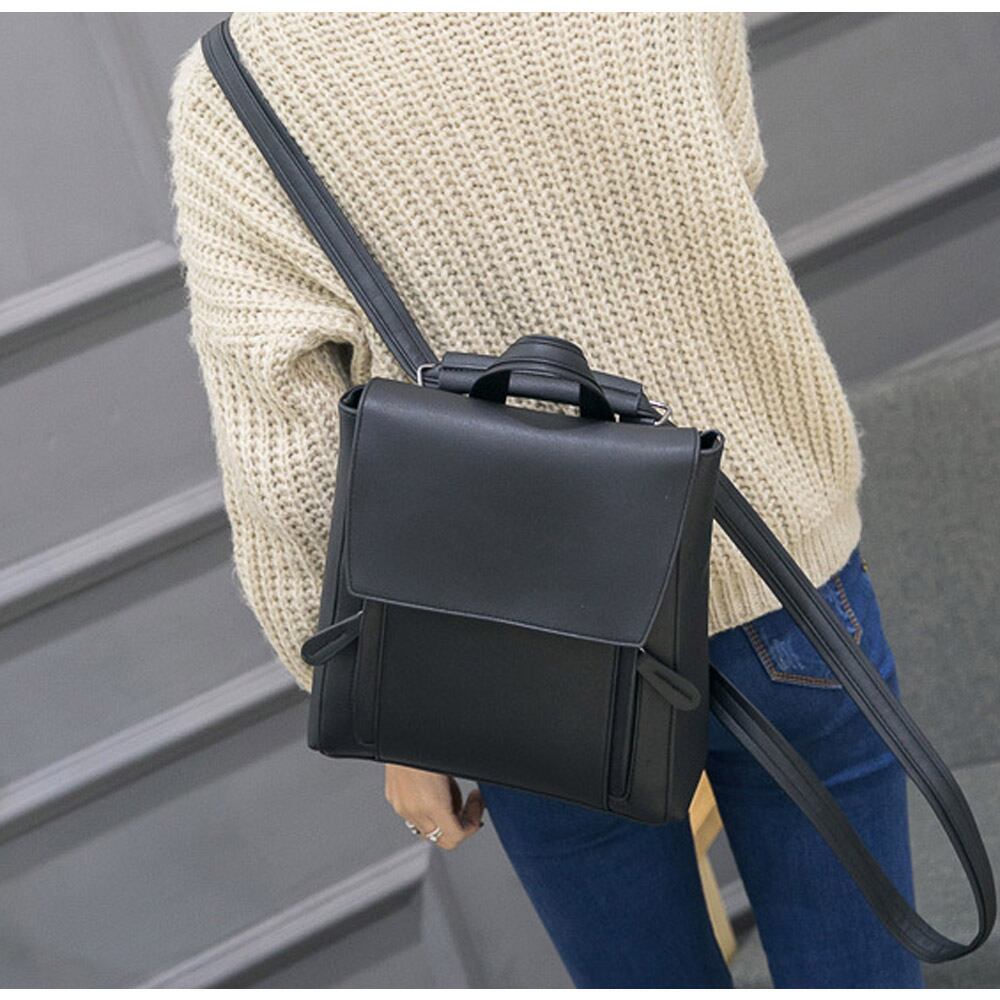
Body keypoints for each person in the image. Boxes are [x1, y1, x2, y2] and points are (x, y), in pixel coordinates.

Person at [168, 12, 923, 987]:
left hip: (519, 648)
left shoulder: (235, 82)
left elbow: (284, 458)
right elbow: (727, 168)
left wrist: (389, 704)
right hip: (776, 563)